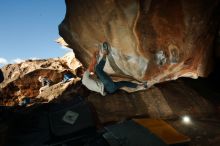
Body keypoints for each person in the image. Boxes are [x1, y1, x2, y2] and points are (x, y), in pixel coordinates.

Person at [82, 42, 147, 96]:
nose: (84, 70)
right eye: (83, 70)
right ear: (82, 73)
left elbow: (93, 76)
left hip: (110, 90)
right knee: (98, 69)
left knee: (124, 83)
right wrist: (94, 54)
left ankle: (141, 85)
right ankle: (105, 52)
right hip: (107, 84)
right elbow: (92, 65)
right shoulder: (85, 76)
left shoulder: (87, 84)